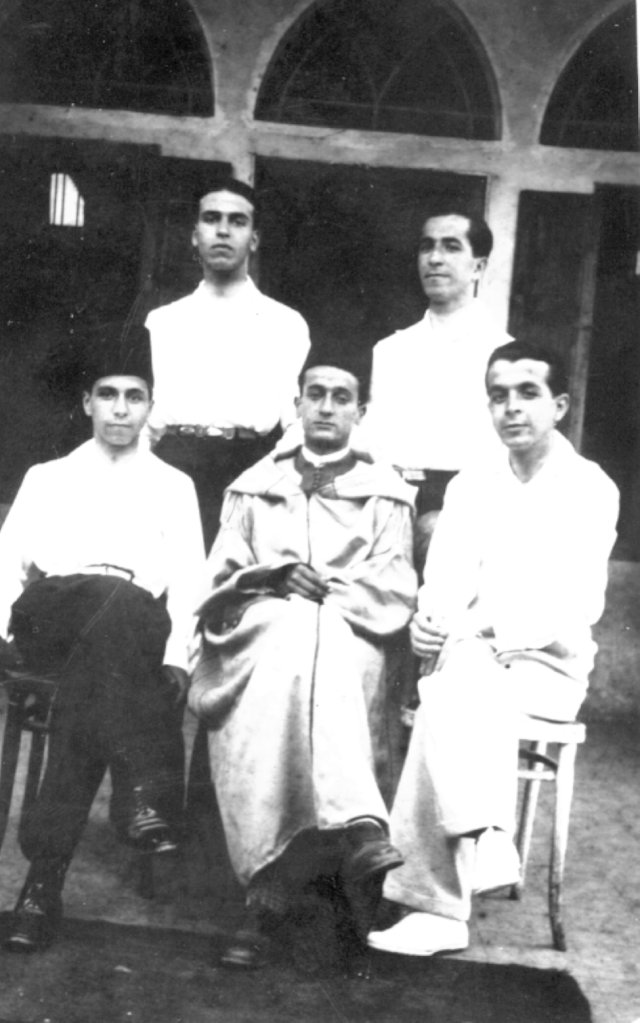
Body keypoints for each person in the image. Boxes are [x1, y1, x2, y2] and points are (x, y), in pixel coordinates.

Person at [367, 339, 619, 957]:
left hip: (548, 665)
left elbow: (576, 604)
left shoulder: (591, 487)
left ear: (559, 404)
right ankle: (487, 839)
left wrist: (481, 633)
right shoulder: (473, 484)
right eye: (499, 395)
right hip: (469, 659)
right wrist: (430, 622)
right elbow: (446, 580)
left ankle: (440, 905)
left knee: (448, 691)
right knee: (456, 683)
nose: (512, 408)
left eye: (528, 393)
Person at [189, 353, 418, 969]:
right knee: (296, 628)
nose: (325, 405)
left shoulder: (386, 495)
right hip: (257, 637)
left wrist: (327, 598)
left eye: (340, 397)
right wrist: (276, 577)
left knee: (315, 631)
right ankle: (361, 827)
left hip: (352, 635)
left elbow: (394, 587)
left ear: (360, 413)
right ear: (296, 406)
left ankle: (266, 893)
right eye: (314, 394)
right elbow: (219, 580)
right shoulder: (254, 487)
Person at [0, 325, 205, 952]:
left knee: (120, 624)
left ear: (150, 406)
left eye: (134, 396)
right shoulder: (47, 476)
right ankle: (139, 791)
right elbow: (7, 564)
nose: (121, 409)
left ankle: (43, 878)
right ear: (87, 402)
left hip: (127, 633)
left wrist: (177, 658)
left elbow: (192, 582)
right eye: (108, 395)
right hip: (52, 617)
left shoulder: (175, 485)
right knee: (112, 603)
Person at [145, 178, 311, 551]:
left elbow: (294, 424)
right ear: (194, 234)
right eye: (211, 218)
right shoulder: (162, 322)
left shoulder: (285, 323)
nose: (222, 230)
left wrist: (271, 483)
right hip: (174, 465)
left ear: (253, 239)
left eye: (237, 221)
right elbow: (146, 417)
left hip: (250, 469)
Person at [364, 205, 510, 561]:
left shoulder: (503, 353)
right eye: (427, 247)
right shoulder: (391, 350)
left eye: (451, 247)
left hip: (465, 506)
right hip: (392, 500)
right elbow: (375, 438)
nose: (435, 258)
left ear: (478, 266)